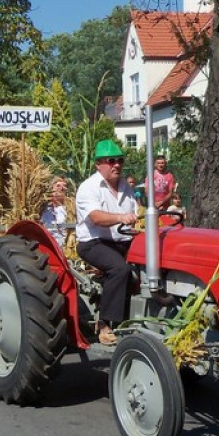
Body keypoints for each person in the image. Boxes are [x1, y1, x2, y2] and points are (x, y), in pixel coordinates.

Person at [76, 139, 139, 346]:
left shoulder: (126, 188)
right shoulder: (89, 187)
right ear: (98, 164)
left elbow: (136, 214)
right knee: (120, 269)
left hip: (122, 240)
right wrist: (121, 218)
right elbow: (96, 218)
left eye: (120, 160)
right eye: (111, 161)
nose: (117, 165)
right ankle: (103, 324)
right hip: (94, 242)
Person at [40, 176, 70, 250]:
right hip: (46, 246)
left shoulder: (69, 209)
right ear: (51, 188)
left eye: (64, 186)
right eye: (58, 186)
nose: (61, 188)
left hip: (65, 248)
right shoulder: (43, 208)